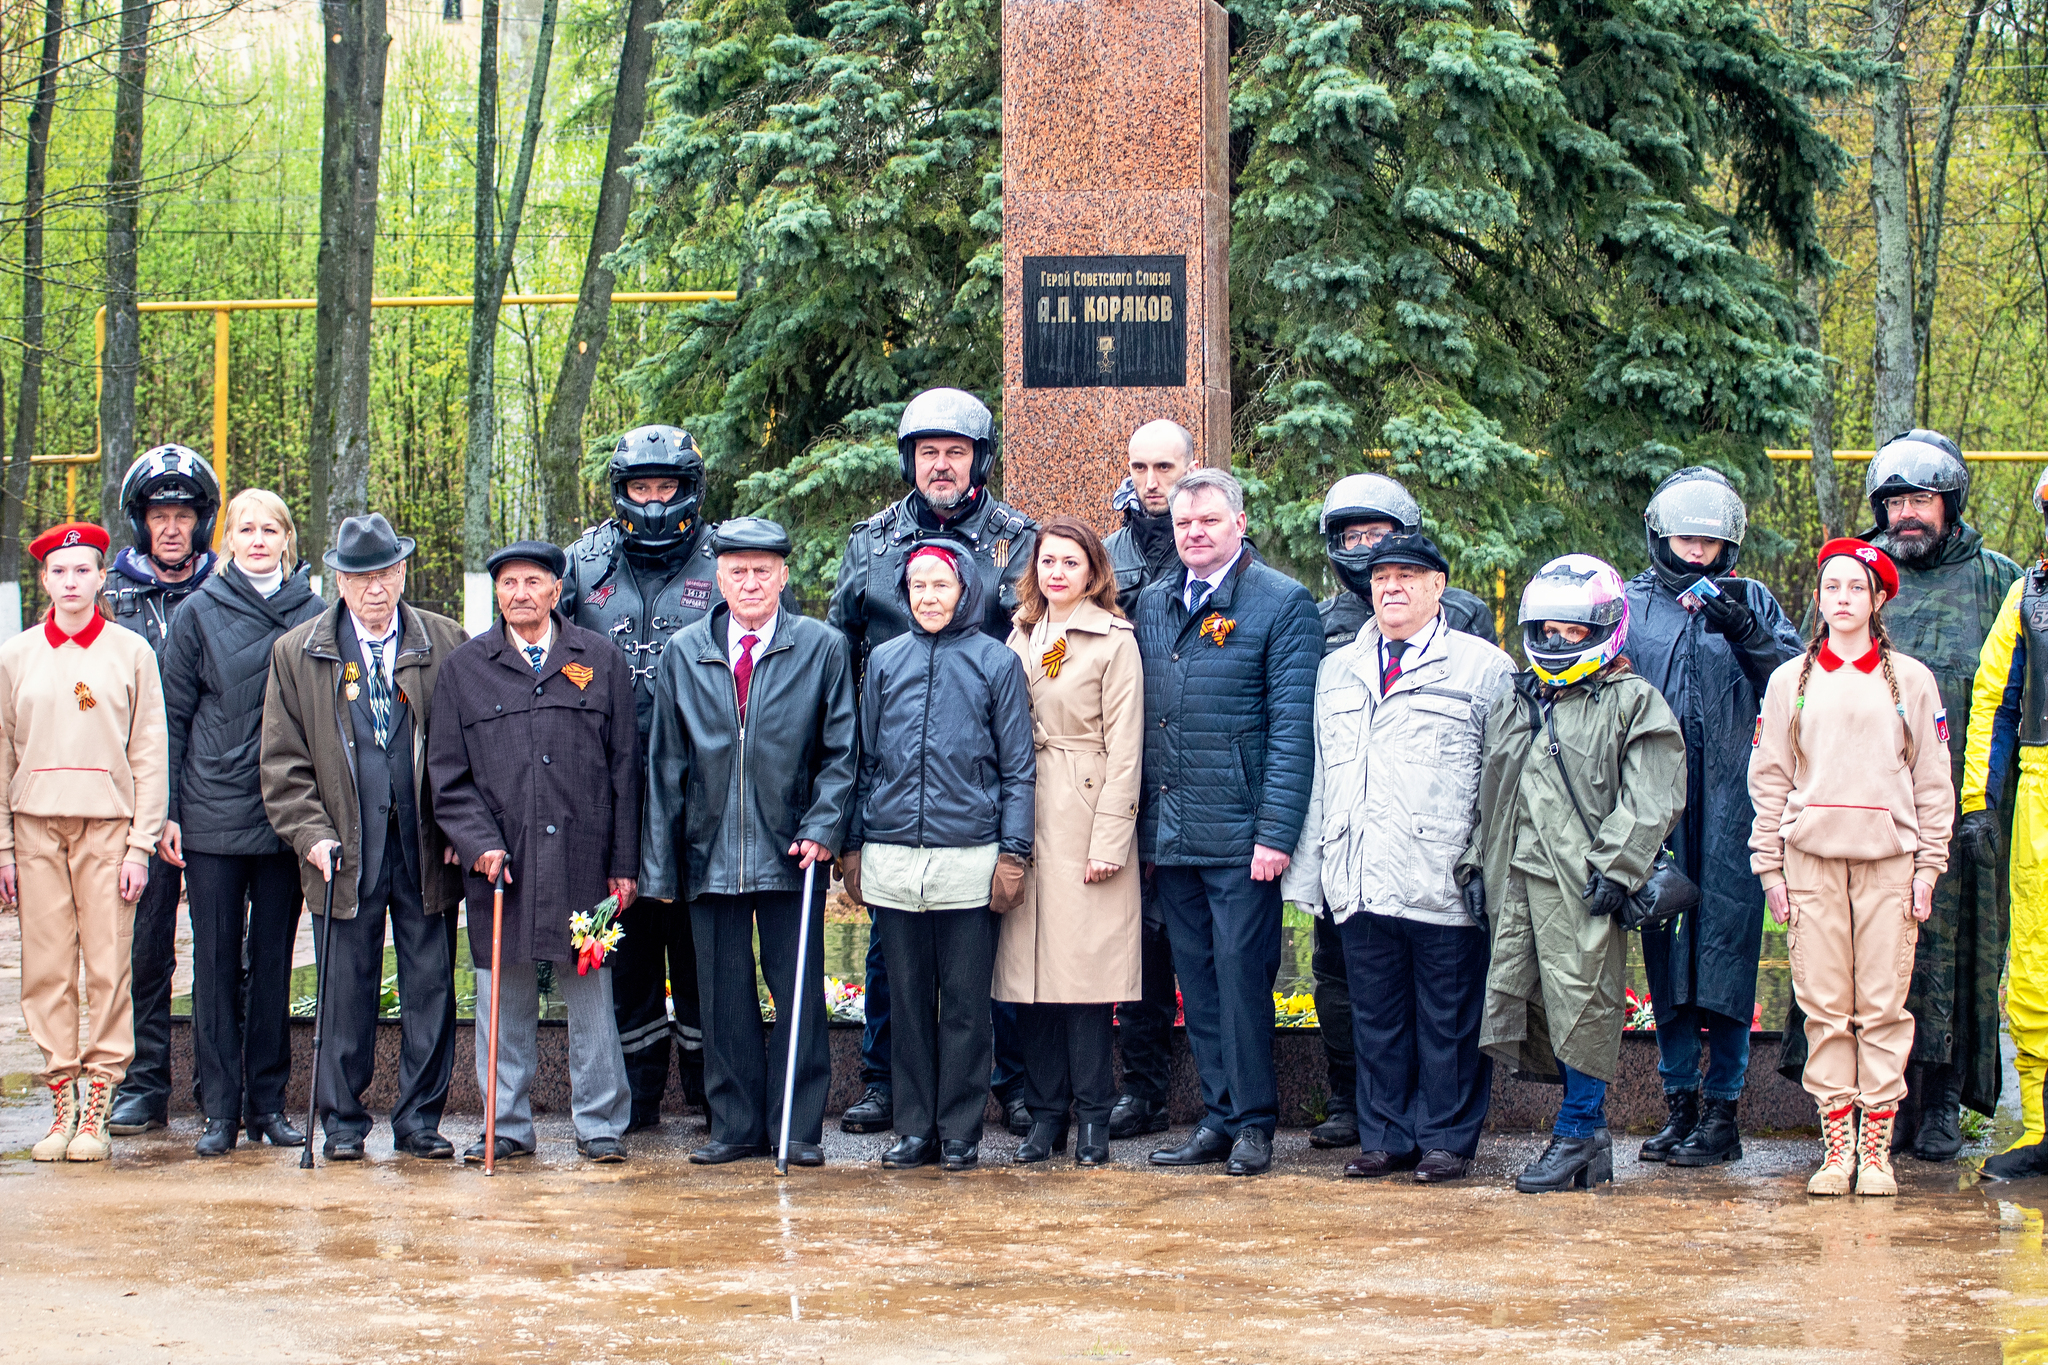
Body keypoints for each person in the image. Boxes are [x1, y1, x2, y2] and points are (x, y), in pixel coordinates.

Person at [1780, 430, 2015, 1161]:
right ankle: (1860, 1111)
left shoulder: (1997, 580)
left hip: (1964, 809)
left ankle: (1941, 1099)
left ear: (1950, 502)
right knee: (1859, 958)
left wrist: (1987, 801)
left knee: (1950, 955)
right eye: (1895, 502)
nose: (1907, 514)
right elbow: (1806, 689)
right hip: (1861, 806)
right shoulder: (1862, 578)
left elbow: (2016, 694)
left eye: (1921, 500)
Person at [828, 388, 1039, 1138]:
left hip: (974, 773)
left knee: (988, 956)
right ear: (909, 460)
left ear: (978, 459)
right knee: (895, 956)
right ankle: (887, 1082)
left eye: (954, 453)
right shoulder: (872, 543)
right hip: (892, 777)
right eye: (928, 454)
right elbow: (840, 649)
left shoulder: (1019, 535)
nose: (941, 466)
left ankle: (1008, 1083)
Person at [1285, 533, 1514, 1183]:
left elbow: (1502, 783)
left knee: (1448, 1019)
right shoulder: (1339, 669)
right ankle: (1385, 1134)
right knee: (1377, 1017)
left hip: (1441, 872)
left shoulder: (1483, 666)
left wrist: (1488, 871)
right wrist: (1312, 875)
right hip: (1359, 871)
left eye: (1408, 576)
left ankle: (1446, 1137)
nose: (1391, 587)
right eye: (1382, 576)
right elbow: (1322, 776)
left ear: (1439, 587)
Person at [1464, 554, 1686, 1193]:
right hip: (1516, 878)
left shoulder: (1632, 701)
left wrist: (1618, 867)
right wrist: (1476, 862)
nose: (1558, 644)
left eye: (1574, 632)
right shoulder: (1518, 697)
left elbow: (1655, 792)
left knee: (1583, 1003)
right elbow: (1493, 788)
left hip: (1582, 883)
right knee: (1528, 999)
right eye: (1547, 631)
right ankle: (1581, 1139)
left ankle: (1580, 1132)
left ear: (1604, 629)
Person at [640, 518, 858, 1168]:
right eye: (738, 571)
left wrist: (824, 825)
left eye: (764, 570)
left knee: (798, 993)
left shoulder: (820, 647)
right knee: (721, 995)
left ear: (783, 575)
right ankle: (733, 1124)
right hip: (709, 850)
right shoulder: (685, 651)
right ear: (718, 577)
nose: (751, 582)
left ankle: (796, 1126)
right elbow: (666, 761)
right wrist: (661, 865)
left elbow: (841, 750)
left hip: (793, 848)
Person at [261, 513, 467, 1162]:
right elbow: (283, 765)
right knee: (344, 990)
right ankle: (343, 1125)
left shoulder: (447, 641)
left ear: (402, 571)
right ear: (339, 581)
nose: (374, 587)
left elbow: (468, 748)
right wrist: (311, 834)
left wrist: (463, 826)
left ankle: (420, 1123)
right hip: (342, 852)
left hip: (425, 845)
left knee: (430, 987)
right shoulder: (297, 653)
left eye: (385, 571)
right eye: (359, 575)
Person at [429, 541, 643, 1165]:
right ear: (496, 593)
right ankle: (506, 1125)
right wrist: (478, 845)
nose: (519, 592)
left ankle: (600, 1123)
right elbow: (447, 776)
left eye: (533, 581)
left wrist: (624, 864)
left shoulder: (598, 660)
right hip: (504, 868)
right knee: (504, 997)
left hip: (585, 868)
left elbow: (626, 770)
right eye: (508, 583)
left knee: (592, 996)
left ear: (556, 590)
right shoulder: (465, 669)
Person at [1750, 539, 1952, 1197]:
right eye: (1831, 586)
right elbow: (1771, 778)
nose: (1842, 598)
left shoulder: (1911, 680)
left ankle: (1877, 1152)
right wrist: (1770, 870)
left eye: (1855, 588)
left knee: (1882, 1007)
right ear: (1819, 598)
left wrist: (1927, 867)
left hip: (1889, 864)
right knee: (1826, 1007)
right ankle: (1837, 1150)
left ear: (1877, 599)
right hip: (1810, 862)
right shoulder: (1791, 680)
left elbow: (1932, 783)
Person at [1136, 468, 1320, 1177]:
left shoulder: (1282, 603)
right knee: (1199, 980)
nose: (1196, 533)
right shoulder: (1154, 603)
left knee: (1244, 981)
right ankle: (1215, 1115)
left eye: (1209, 520)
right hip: (1175, 833)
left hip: (1243, 837)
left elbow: (1291, 729)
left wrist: (1275, 832)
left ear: (1240, 523)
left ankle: (1254, 1123)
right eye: (1185, 524)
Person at [1623, 469, 1803, 1166]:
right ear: (1661, 535)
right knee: (1664, 954)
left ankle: (1723, 1112)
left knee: (1727, 956)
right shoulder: (1634, 603)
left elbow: (1792, 681)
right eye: (1686, 539)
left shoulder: (1751, 597)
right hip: (1659, 804)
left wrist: (1747, 628)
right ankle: (1679, 1106)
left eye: (1710, 541)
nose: (1697, 553)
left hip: (1735, 803)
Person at [561, 425, 731, 1131]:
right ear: (620, 491)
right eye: (641, 488)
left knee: (700, 950)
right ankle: (631, 1091)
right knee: (622, 950)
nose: (654, 501)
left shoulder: (726, 558)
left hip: (704, 793)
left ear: (688, 488)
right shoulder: (583, 561)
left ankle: (709, 1090)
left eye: (666, 487)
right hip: (609, 796)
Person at [159, 489, 326, 1156]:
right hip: (211, 815)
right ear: (227, 539)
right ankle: (218, 1109)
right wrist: (169, 810)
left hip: (285, 815)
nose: (257, 539)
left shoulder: (315, 613)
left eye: (269, 529)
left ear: (287, 537)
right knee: (216, 963)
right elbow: (170, 718)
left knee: (274, 962)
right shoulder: (199, 612)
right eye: (245, 528)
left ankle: (267, 1102)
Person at [1, 522, 166, 1162]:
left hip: (107, 830)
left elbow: (150, 753)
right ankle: (60, 1099)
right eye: (59, 572)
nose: (71, 583)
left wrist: (140, 846)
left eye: (83, 571)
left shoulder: (130, 653)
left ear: (102, 578)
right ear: (44, 579)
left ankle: (98, 1100)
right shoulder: (16, 657)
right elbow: (4, 753)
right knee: (45, 968)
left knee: (107, 966)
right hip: (35, 827)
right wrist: (4, 850)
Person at [995, 516, 1144, 1167]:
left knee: (1084, 984)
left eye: (1071, 563)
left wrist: (1109, 836)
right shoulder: (1021, 633)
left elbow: (1127, 747)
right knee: (1029, 980)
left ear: (1093, 572)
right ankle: (1042, 1115)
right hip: (1025, 814)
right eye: (1048, 561)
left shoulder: (1114, 640)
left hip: (1085, 816)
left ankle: (1091, 1120)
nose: (1058, 572)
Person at [103, 444, 219, 1137]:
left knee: (221, 950)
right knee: (143, 950)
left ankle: (217, 1083)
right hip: (135, 804)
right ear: (141, 521)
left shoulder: (226, 590)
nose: (170, 528)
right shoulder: (112, 599)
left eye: (182, 515)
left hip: (213, 797)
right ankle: (143, 1082)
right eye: (158, 515)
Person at [1102, 421, 1193, 1143]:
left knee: (1196, 942)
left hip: (1194, 769)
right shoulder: (1108, 557)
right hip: (1124, 769)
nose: (1151, 480)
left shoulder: (1213, 543)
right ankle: (1142, 1089)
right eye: (1139, 466)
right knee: (1137, 949)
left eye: (1165, 465)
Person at [1961, 471, 2048, 1181]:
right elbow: (1993, 701)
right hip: (2040, 790)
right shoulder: (2028, 596)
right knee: (2034, 965)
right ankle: (2045, 1130)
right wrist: (1980, 803)